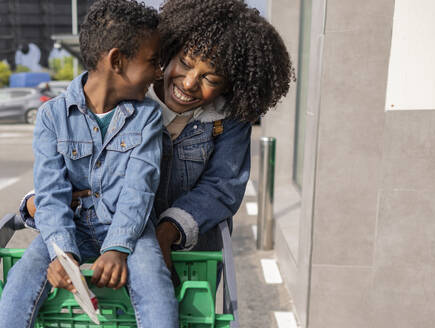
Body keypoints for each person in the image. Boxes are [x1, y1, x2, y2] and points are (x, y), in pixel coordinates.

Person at [20, 0, 293, 279]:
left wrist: (167, 232)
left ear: (230, 85)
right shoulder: (130, 96)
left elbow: (222, 188)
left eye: (210, 78)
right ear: (169, 50)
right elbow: (76, 157)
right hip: (111, 250)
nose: (188, 83)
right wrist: (36, 201)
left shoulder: (229, 119)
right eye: (184, 64)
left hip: (190, 258)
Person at [0, 1, 178, 327]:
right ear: (117, 61)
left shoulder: (148, 117)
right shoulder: (52, 116)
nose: (159, 73)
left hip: (132, 234)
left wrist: (118, 248)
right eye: (152, 62)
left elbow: (139, 189)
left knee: (156, 288)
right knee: (19, 283)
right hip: (69, 229)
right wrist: (61, 254)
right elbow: (51, 194)